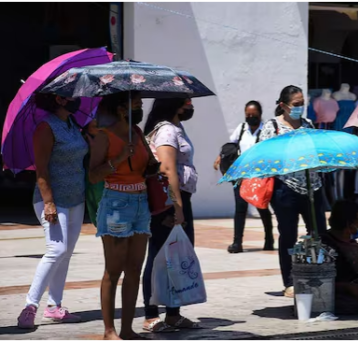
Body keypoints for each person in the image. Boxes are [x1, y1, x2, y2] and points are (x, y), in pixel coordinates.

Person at [17, 93, 88, 329]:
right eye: (71, 95)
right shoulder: (46, 127)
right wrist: (49, 202)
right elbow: (41, 168)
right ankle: (30, 306)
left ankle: (54, 306)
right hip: (52, 200)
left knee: (66, 253)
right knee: (56, 250)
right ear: (59, 99)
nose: (76, 98)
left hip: (76, 198)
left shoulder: (73, 124)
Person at [88, 91, 152, 340]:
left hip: (141, 202)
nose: (140, 108)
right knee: (113, 270)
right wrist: (118, 159)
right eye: (136, 104)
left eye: (141, 104)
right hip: (116, 202)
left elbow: (144, 166)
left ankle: (127, 328)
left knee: (135, 269)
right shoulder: (105, 137)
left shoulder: (137, 133)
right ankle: (109, 330)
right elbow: (93, 175)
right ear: (121, 109)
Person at [259, 85, 326, 298]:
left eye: (302, 104)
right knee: (288, 235)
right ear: (283, 105)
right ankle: (289, 281)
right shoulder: (272, 127)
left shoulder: (308, 124)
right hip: (285, 188)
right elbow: (264, 157)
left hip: (313, 186)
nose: (300, 108)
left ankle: (318, 274)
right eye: (296, 105)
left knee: (319, 234)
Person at [141, 98, 202, 332]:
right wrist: (176, 208)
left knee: (177, 258)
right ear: (174, 104)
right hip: (169, 200)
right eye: (186, 102)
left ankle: (173, 315)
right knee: (158, 257)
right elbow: (167, 170)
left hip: (180, 199)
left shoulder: (176, 127)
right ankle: (150, 315)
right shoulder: (166, 130)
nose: (190, 106)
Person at [213, 100, 274, 253]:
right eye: (248, 114)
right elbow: (230, 145)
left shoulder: (266, 130)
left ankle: (269, 239)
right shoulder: (241, 129)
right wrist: (220, 157)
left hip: (259, 176)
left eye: (254, 114)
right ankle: (237, 242)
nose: (250, 117)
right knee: (240, 209)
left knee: (261, 207)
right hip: (241, 175)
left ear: (260, 114)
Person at [83, 118, 105, 228]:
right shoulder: (83, 140)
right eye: (95, 126)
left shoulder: (105, 138)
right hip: (90, 181)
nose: (100, 129)